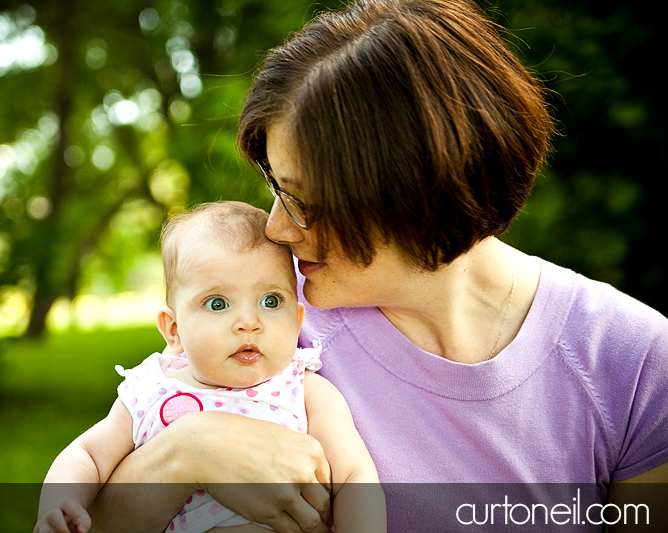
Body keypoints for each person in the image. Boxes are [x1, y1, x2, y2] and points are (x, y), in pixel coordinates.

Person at [90, 0, 668, 531]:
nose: (276, 229)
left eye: (306, 203)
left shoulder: (631, 359)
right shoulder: (259, 319)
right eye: (276, 187)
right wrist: (184, 452)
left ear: (420, 199)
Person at [35, 201, 385, 533]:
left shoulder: (306, 390)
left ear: (296, 321)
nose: (248, 322)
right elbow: (88, 455)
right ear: (173, 330)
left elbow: (354, 476)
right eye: (218, 303)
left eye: (270, 300)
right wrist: (60, 503)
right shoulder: (151, 390)